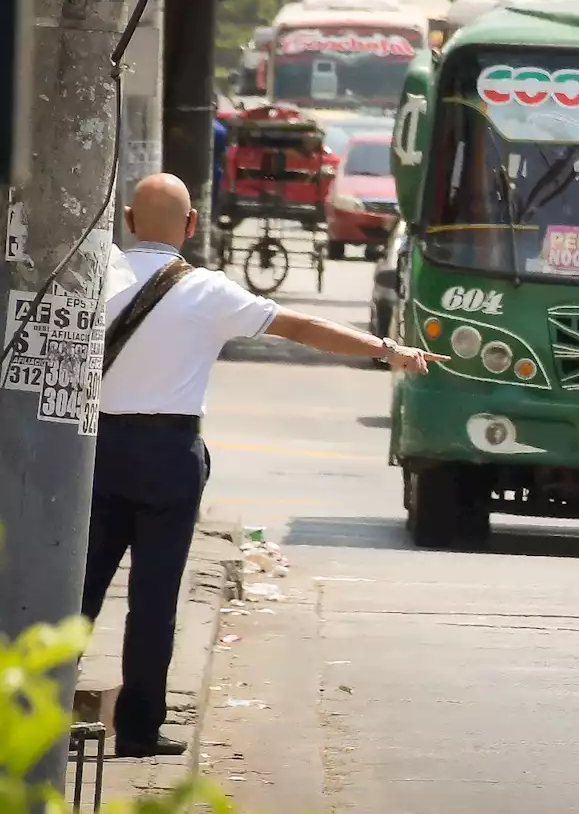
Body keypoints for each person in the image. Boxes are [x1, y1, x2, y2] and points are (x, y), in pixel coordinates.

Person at [80, 173, 447, 758]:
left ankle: (34, 720)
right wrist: (387, 350)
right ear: (192, 225)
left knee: (79, 589)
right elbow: (301, 327)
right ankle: (140, 732)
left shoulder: (94, 273)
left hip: (94, 452)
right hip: (170, 457)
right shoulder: (207, 291)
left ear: (127, 221)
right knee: (155, 600)